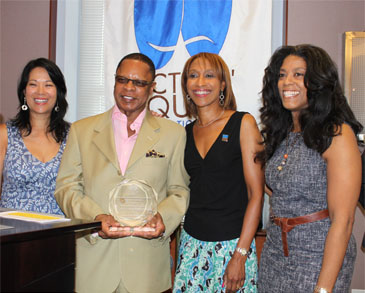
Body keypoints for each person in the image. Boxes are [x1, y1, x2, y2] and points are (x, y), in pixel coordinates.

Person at [55, 52, 190, 293]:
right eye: (122, 80)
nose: (129, 88)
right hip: (94, 265)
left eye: (138, 83)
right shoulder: (81, 130)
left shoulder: (173, 134)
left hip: (146, 268)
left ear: (152, 88)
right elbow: (66, 188)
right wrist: (94, 218)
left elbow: (179, 190)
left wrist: (163, 218)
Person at [256, 44, 363, 293]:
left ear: (317, 82)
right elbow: (284, 190)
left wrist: (323, 289)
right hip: (275, 255)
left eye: (298, 74)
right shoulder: (282, 134)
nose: (287, 82)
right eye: (282, 75)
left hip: (318, 258)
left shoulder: (336, 134)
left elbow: (344, 221)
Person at [173, 52, 264, 292]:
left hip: (233, 247)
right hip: (191, 245)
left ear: (223, 83)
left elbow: (256, 195)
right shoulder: (184, 133)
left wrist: (240, 255)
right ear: (185, 85)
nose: (200, 82)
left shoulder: (243, 123)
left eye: (209, 75)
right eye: (193, 76)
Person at [0, 58, 69, 215]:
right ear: (24, 92)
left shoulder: (73, 136)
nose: (40, 91)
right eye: (33, 84)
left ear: (58, 92)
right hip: (14, 233)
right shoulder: (5, 134)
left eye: (48, 85)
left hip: (58, 233)